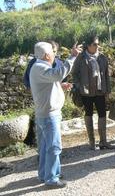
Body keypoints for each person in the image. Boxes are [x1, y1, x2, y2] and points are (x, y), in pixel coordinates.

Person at [30, 41, 82, 188]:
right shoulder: (40, 67)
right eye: (52, 53)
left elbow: (52, 79)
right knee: (53, 147)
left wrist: (59, 85)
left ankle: (45, 174)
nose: (54, 54)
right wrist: (72, 57)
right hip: (49, 115)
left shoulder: (38, 67)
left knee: (45, 147)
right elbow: (59, 73)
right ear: (47, 55)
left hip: (44, 114)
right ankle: (51, 178)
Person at [72, 36, 115, 150]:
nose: (97, 46)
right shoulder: (81, 58)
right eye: (95, 44)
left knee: (102, 114)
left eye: (98, 44)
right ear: (89, 46)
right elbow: (75, 73)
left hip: (100, 90)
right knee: (89, 114)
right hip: (86, 92)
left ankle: (103, 141)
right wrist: (79, 86)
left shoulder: (102, 57)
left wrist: (108, 90)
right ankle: (92, 142)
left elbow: (106, 75)